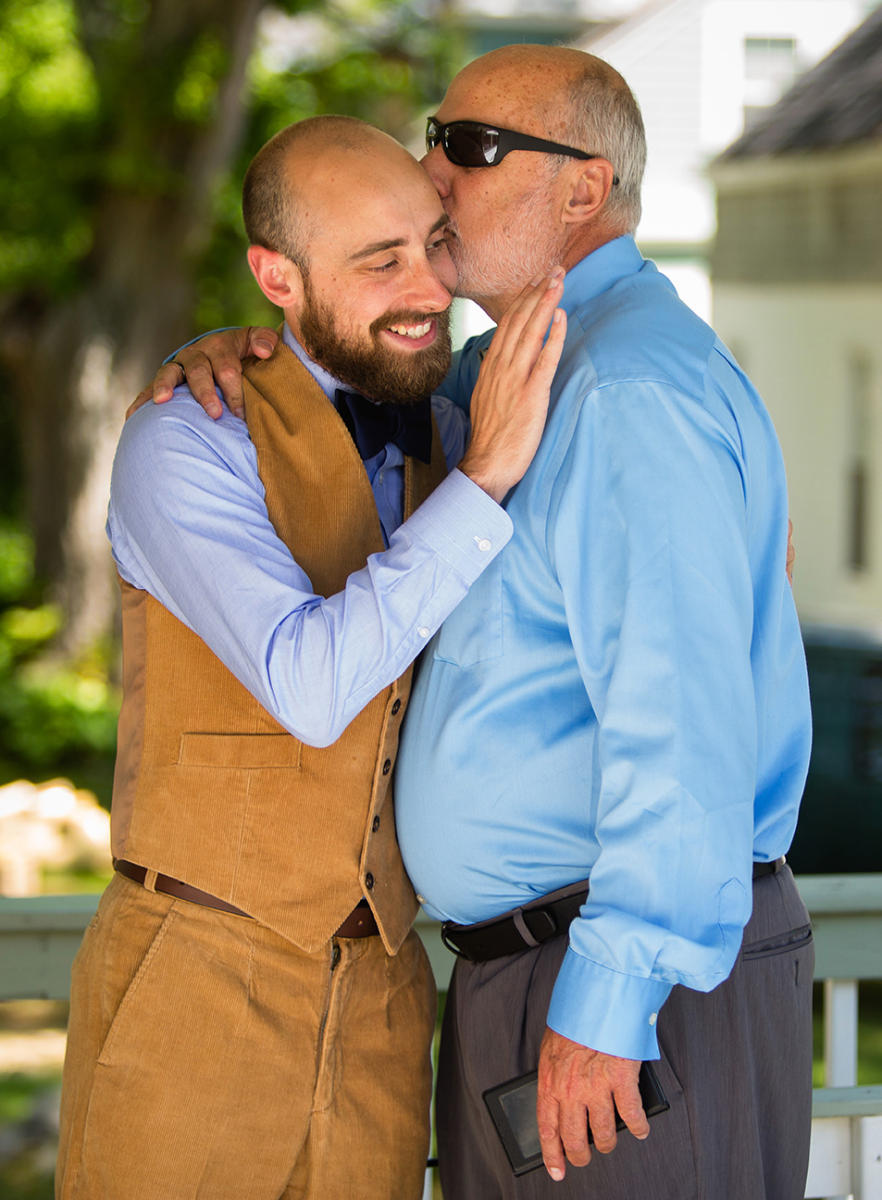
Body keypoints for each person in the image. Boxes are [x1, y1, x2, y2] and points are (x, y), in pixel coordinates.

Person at [150, 45, 813, 1200]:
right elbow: (362, 392)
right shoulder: (513, 380)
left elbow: (684, 723)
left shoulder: (624, 397)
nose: (431, 172)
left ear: (583, 190)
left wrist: (608, 1006)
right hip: (539, 972)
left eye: (471, 146)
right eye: (433, 137)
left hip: (621, 993)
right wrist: (231, 359)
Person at [56, 113, 566, 1200]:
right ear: (274, 279)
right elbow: (312, 684)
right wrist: (484, 484)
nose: (427, 285)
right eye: (377, 261)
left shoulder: (460, 413)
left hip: (388, 994)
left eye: (434, 242)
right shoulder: (187, 435)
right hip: (194, 983)